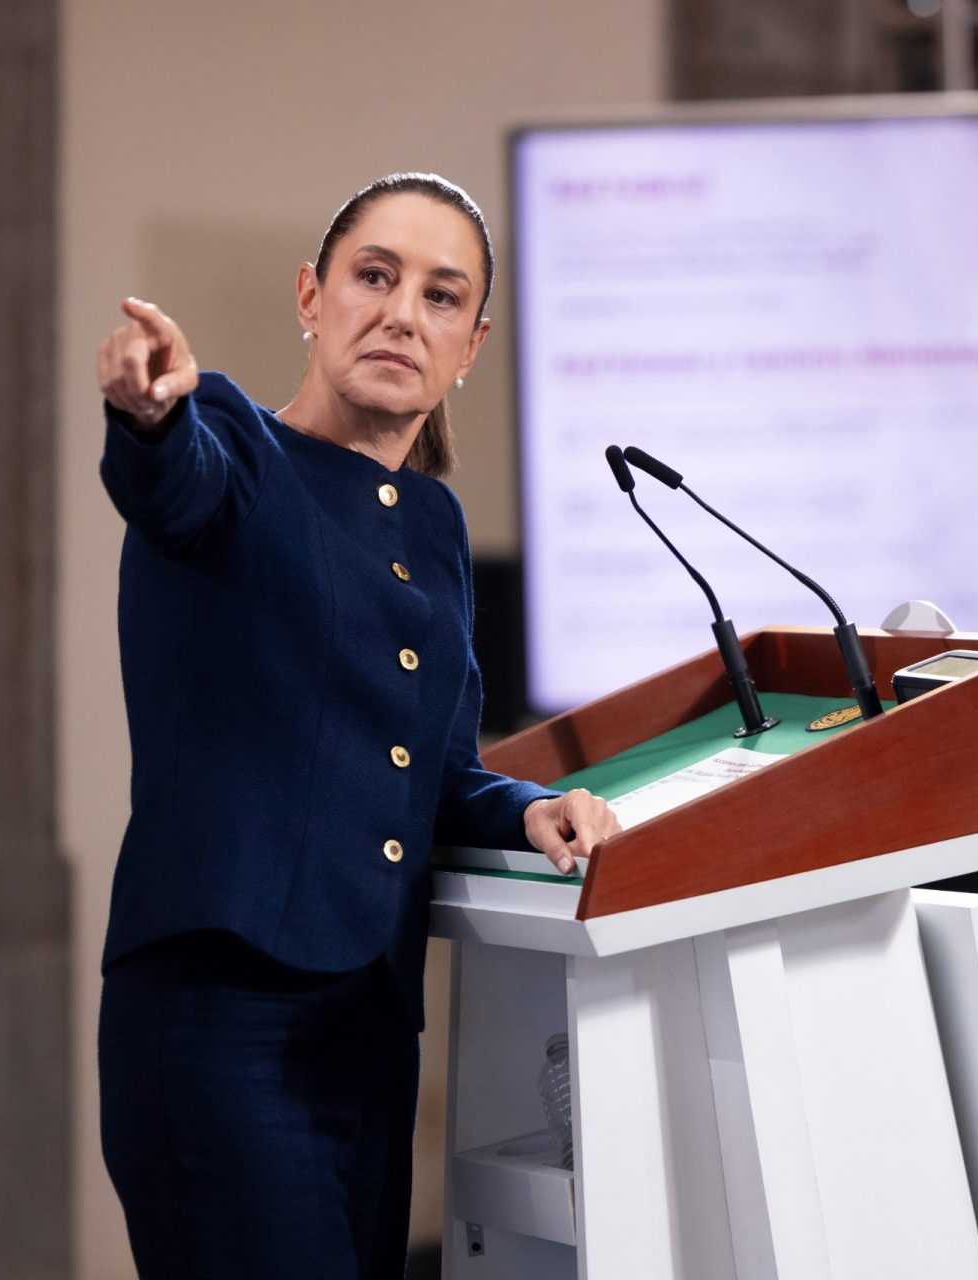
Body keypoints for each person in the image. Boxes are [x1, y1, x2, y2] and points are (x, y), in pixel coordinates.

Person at [93, 172, 621, 1279]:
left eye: (441, 295)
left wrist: (529, 812)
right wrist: (149, 418)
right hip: (220, 1022)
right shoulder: (231, 442)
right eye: (374, 276)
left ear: (471, 345)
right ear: (311, 295)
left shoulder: (431, 525)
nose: (401, 314)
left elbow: (434, 771)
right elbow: (172, 483)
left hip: (367, 1034)